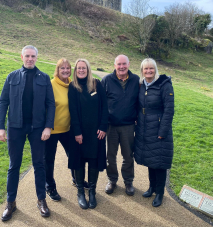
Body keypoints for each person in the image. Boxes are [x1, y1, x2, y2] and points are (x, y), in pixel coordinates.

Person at [0, 45, 55, 221]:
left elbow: (51, 104)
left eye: (33, 56)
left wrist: (48, 126)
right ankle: (11, 203)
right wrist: (0, 127)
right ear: (21, 57)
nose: (30, 59)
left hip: (37, 128)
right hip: (15, 127)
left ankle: (41, 200)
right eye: (27, 56)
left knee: (39, 164)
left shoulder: (44, 78)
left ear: (37, 58)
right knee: (14, 165)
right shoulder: (12, 77)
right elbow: (3, 102)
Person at [68, 59, 108, 209]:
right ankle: (80, 192)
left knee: (93, 161)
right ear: (76, 70)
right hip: (79, 131)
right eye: (79, 68)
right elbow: (72, 110)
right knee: (78, 160)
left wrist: (103, 126)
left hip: (96, 131)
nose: (81, 70)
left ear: (88, 69)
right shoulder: (73, 87)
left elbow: (105, 106)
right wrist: (77, 132)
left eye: (84, 68)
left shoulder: (97, 83)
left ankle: (92, 191)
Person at [135, 58, 174, 207]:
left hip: (158, 128)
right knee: (150, 159)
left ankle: (159, 192)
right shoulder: (141, 85)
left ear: (155, 69)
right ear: (142, 70)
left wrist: (162, 131)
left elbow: (169, 110)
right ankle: (151, 187)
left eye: (151, 68)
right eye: (146, 69)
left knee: (159, 162)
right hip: (145, 127)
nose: (148, 71)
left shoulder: (164, 85)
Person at [101, 55, 140, 196]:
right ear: (115, 65)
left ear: (129, 64)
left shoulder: (136, 80)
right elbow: (101, 104)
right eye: (119, 64)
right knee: (110, 156)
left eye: (124, 64)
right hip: (111, 125)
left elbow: (139, 101)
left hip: (128, 125)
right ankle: (112, 180)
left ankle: (128, 181)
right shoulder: (106, 80)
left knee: (128, 155)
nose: (122, 67)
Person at [44, 58, 76, 201]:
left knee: (74, 156)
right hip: (51, 130)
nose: (65, 70)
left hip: (68, 129)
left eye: (67, 68)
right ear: (57, 70)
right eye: (62, 68)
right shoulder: (50, 85)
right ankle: (50, 187)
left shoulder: (72, 85)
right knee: (49, 160)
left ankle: (77, 179)